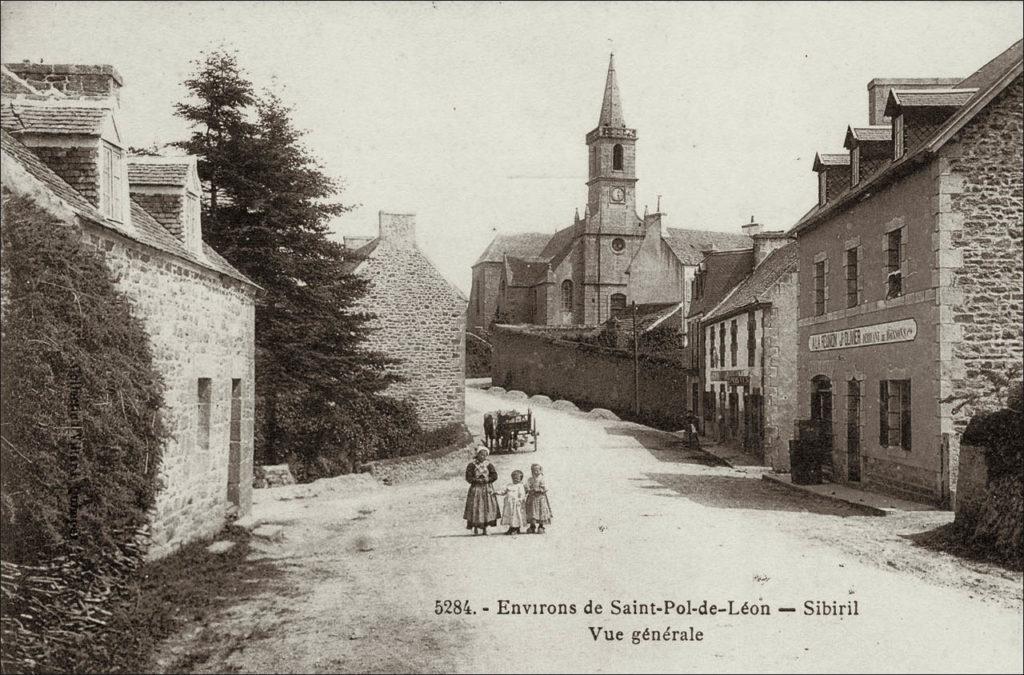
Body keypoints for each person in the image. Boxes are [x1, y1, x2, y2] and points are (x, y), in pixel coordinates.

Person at [464, 447, 500, 535]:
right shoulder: (472, 465)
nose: (482, 457)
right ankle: (475, 526)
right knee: (476, 506)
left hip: (487, 488)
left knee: (487, 507)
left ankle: (486, 526)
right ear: (477, 454)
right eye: (481, 454)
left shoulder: (489, 465)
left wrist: (488, 479)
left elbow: (494, 475)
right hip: (476, 488)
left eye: (485, 455)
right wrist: (476, 480)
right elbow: (468, 477)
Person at [498, 470, 528, 535]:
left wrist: (519, 500)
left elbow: (522, 495)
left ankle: (516, 529)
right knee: (510, 516)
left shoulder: (520, 486)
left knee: (516, 516)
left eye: (517, 478)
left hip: (516, 505)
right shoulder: (509, 485)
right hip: (509, 504)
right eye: (514, 478)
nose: (515, 479)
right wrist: (496, 492)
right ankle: (511, 528)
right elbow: (503, 491)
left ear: (521, 479)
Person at [525, 463, 552, 534]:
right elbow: (527, 486)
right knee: (532, 512)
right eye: (533, 470)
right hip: (532, 498)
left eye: (537, 470)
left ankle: (541, 526)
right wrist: (528, 489)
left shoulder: (542, 479)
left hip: (540, 498)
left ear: (541, 470)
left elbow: (545, 488)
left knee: (541, 512)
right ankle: (532, 526)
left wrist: (539, 489)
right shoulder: (530, 479)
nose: (535, 472)